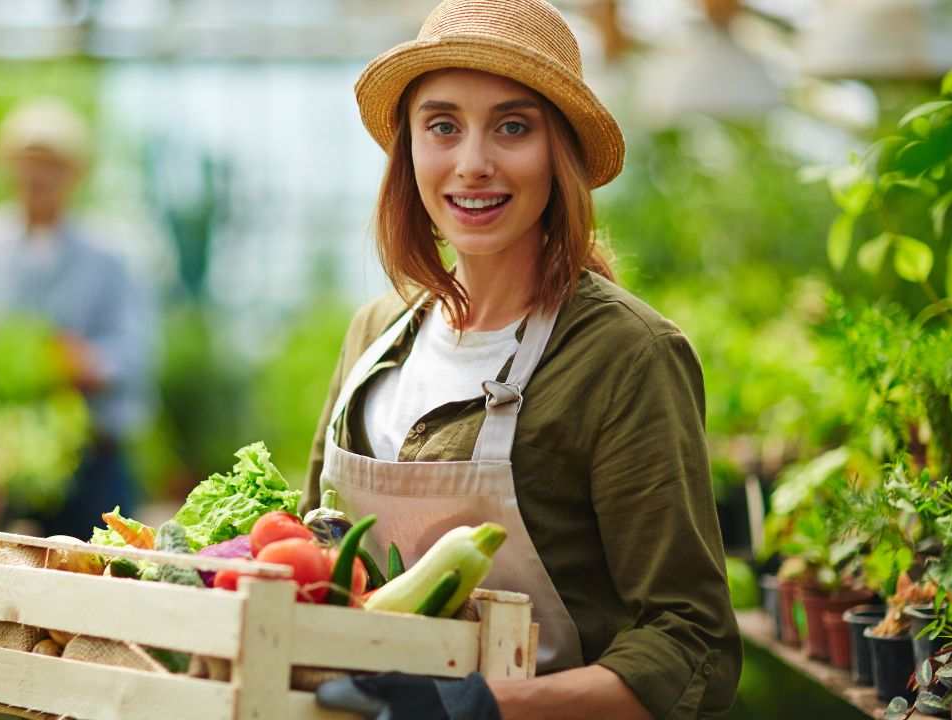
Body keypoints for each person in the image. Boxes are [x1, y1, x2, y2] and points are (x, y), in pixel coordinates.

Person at [304, 1, 741, 718]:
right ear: (409, 148)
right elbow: (317, 558)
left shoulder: (624, 357)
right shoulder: (376, 336)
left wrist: (488, 707)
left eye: (513, 126)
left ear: (558, 152)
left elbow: (691, 643)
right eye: (442, 125)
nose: (473, 164)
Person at [0, 98, 156, 539]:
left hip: (93, 459)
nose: (37, 177)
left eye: (52, 165)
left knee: (93, 578)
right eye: (28, 163)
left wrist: (79, 362)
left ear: (75, 175)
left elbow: (136, 354)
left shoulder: (110, 255)